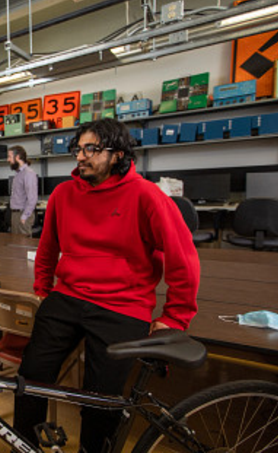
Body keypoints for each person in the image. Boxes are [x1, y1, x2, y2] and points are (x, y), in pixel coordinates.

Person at [13, 118, 200, 453]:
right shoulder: (63, 193)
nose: (80, 157)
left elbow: (182, 257)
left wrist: (175, 316)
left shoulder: (147, 196)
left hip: (123, 306)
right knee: (30, 380)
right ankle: (23, 446)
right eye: (78, 149)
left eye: (91, 149)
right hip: (68, 295)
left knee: (101, 400)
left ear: (116, 154)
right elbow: (48, 246)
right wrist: (43, 286)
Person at [7, 145, 38, 236]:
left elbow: (32, 199)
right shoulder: (18, 174)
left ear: (17, 157)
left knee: (23, 246)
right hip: (16, 214)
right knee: (16, 245)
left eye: (9, 157)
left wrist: (24, 217)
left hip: (22, 214)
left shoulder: (28, 174)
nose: (8, 160)